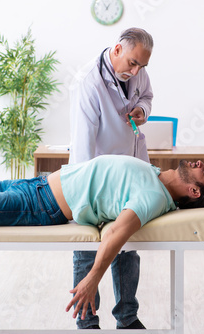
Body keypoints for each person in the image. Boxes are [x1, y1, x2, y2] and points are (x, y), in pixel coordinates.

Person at [0, 155, 204, 323]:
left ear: (194, 192)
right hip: (34, 184)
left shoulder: (152, 197)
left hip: (37, 205)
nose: (200, 164)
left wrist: (91, 279)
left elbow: (117, 234)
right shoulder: (155, 175)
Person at [68, 27, 154, 329]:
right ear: (116, 49)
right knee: (87, 247)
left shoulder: (137, 71)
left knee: (125, 248)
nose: (136, 70)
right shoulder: (89, 82)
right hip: (97, 178)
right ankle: (87, 321)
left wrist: (142, 109)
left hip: (130, 172)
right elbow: (82, 144)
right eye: (132, 63)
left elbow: (147, 95)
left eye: (142, 65)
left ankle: (127, 318)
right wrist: (83, 194)